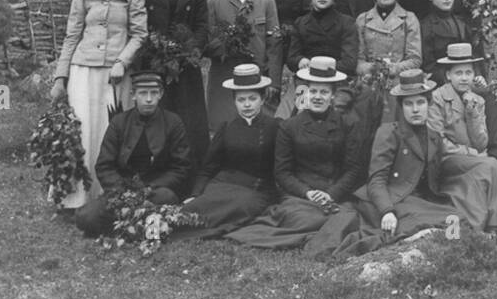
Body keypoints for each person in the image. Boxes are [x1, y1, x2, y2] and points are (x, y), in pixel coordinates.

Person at [314, 71, 466, 258]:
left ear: (429, 104)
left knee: (456, 217)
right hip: (387, 199)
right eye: (409, 104)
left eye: (420, 103)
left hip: (415, 199)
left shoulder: (434, 137)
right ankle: (429, 246)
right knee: (430, 221)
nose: (416, 109)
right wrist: (387, 211)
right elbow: (376, 180)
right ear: (401, 108)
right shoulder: (389, 133)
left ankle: (450, 253)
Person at [226, 57, 365, 253]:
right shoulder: (290, 126)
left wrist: (331, 194)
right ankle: (319, 234)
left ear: (333, 95)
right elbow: (282, 173)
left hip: (335, 194)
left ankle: (319, 236)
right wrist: (308, 193)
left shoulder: (347, 125)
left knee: (348, 215)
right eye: (313, 91)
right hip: (299, 196)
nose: (318, 97)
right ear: (306, 93)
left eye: (324, 92)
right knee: (309, 217)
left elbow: (353, 169)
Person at [50, 0, 148, 210]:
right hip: (83, 71)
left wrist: (122, 62)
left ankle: (111, 196)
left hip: (115, 75)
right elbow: (71, 37)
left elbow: (140, 35)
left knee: (111, 130)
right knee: (81, 130)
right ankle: (75, 197)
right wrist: (60, 77)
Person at [74, 70, 192, 237]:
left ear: (161, 94)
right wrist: (122, 190)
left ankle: (129, 225)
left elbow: (181, 168)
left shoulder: (173, 122)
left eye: (154, 93)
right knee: (86, 217)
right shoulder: (119, 122)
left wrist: (149, 189)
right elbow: (104, 165)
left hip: (156, 191)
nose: (149, 99)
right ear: (134, 95)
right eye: (143, 93)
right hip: (123, 189)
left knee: (166, 199)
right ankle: (138, 225)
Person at [136, 0, 209, 181]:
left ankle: (191, 178)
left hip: (186, 69)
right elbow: (139, 25)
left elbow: (202, 27)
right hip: (155, 68)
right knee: (156, 119)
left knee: (189, 122)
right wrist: (158, 52)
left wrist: (188, 51)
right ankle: (156, 177)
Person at [181, 64, 280, 235]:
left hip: (256, 191)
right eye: (241, 100)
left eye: (252, 98)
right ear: (234, 101)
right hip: (222, 185)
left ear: (262, 99)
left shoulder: (275, 127)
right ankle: (167, 224)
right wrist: (196, 194)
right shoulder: (226, 128)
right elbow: (208, 167)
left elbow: (282, 167)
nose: (247, 105)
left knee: (239, 206)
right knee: (195, 208)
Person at [429, 43, 497, 233]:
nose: (464, 78)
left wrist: (472, 112)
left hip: (472, 158)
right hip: (448, 159)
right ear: (448, 75)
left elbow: (482, 142)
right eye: (458, 73)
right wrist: (471, 153)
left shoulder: (477, 99)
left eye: (468, 73)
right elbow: (436, 141)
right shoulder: (437, 98)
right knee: (490, 165)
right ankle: (491, 226)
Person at [204, 0, 282, 132]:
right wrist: (226, 44)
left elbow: (274, 44)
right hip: (223, 77)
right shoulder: (213, 1)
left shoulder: (266, 2)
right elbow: (205, 41)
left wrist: (274, 80)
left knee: (258, 131)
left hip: (257, 77)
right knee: (223, 130)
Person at [355, 0, 422, 133]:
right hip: (370, 83)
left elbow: (415, 59)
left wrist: (392, 69)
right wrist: (373, 68)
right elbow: (358, 60)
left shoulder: (409, 19)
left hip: (399, 83)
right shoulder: (362, 20)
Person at [286, 0, 359, 79]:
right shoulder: (300, 23)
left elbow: (349, 63)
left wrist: (317, 67)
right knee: (302, 97)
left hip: (337, 80)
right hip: (305, 80)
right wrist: (300, 60)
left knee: (341, 98)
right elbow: (291, 58)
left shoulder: (346, 23)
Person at [418, 0, 473, 84]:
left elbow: (472, 56)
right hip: (440, 82)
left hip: (464, 78)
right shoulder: (426, 26)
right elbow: (428, 66)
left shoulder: (461, 23)